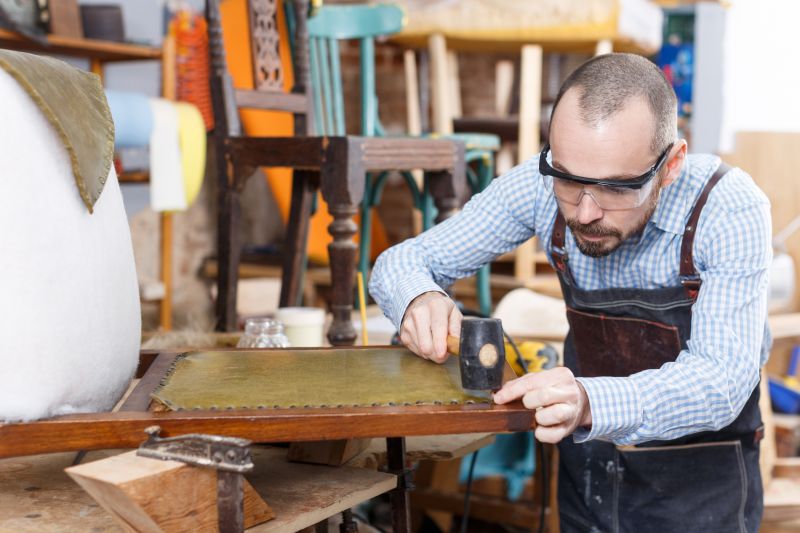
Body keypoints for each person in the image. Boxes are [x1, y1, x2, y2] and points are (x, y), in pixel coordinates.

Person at [369, 53, 771, 532]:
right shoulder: (541, 184)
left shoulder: (727, 209)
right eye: (568, 179)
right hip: (588, 479)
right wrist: (419, 298)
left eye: (616, 188)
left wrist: (589, 401)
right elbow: (400, 262)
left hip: (700, 492)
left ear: (671, 166)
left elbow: (722, 380)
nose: (583, 212)